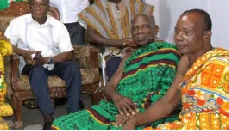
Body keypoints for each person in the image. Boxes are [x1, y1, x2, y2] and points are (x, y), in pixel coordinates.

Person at [52, 13, 181, 130]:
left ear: (156, 29)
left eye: (144, 26)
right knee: (60, 124)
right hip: (116, 107)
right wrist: (117, 97)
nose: (139, 31)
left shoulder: (170, 52)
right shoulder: (129, 56)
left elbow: (168, 95)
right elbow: (110, 86)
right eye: (135, 28)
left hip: (146, 111)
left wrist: (138, 113)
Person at [117, 9, 229, 130]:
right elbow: (168, 102)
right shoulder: (185, 62)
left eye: (186, 32)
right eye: (177, 32)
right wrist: (134, 120)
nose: (179, 38)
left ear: (206, 35)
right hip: (190, 123)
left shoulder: (221, 63)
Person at [4, 0, 81, 130]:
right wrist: (24, 53)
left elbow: (68, 54)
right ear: (29, 6)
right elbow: (5, 43)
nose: (38, 8)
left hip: (52, 60)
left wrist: (48, 59)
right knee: (37, 72)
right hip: (31, 64)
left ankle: (73, 113)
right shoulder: (18, 23)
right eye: (34, 4)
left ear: (48, 7)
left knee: (73, 67)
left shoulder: (58, 26)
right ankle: (48, 117)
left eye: (42, 5)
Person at [80, 0, 154, 80]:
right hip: (112, 52)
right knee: (115, 67)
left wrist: (138, 41)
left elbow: (150, 27)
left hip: (137, 48)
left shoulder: (135, 5)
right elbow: (91, 36)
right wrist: (117, 42)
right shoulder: (96, 9)